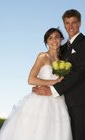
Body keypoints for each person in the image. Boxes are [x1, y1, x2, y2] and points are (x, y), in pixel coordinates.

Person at [0, 28, 72, 140]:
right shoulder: (43, 56)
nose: (54, 40)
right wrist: (53, 82)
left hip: (58, 101)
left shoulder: (63, 60)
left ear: (61, 39)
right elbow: (31, 79)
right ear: (46, 42)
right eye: (50, 38)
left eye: (57, 37)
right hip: (41, 101)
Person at [33, 9, 85, 140]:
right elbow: (50, 64)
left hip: (79, 101)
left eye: (73, 22)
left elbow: (78, 73)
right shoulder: (64, 48)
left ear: (80, 23)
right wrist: (40, 83)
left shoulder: (83, 44)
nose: (70, 26)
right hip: (63, 101)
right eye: (67, 23)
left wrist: (53, 90)